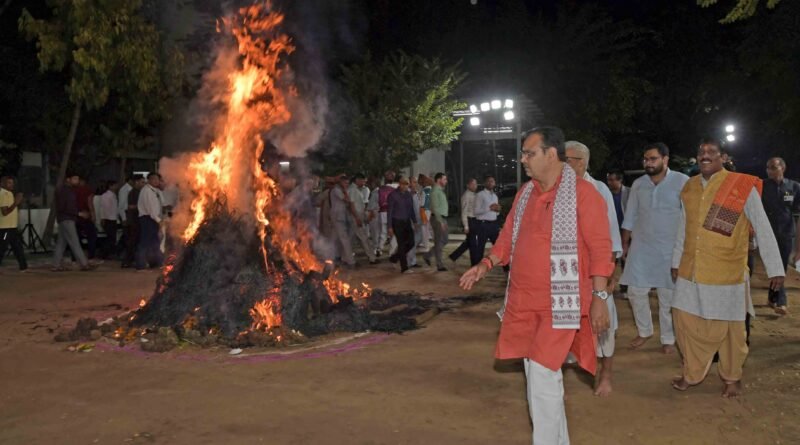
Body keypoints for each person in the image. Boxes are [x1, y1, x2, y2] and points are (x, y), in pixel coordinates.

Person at [460, 127, 612, 444]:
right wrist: (485, 264)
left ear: (551, 154)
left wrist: (599, 296)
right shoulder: (526, 193)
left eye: (529, 153)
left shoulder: (585, 195)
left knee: (542, 375)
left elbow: (600, 250)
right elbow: (508, 236)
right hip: (523, 300)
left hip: (562, 302)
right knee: (540, 377)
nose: (522, 159)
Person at [670, 138, 784, 398]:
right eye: (701, 152)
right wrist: (676, 261)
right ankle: (692, 372)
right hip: (692, 267)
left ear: (723, 157)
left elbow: (763, 227)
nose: (705, 155)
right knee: (683, 319)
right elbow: (682, 229)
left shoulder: (741, 185)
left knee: (732, 328)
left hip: (727, 271)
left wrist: (776, 268)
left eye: (711, 152)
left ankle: (732, 377)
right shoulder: (689, 187)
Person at [620, 143, 689, 353]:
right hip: (642, 246)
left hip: (670, 249)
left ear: (665, 159)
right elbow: (630, 215)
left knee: (667, 296)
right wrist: (624, 243)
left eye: (652, 159)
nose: (648, 163)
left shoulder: (682, 182)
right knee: (635, 291)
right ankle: (645, 331)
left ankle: (668, 338)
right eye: (645, 159)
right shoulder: (639, 184)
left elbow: (689, 217)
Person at [565, 140, 621, 396]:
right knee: (564, 324)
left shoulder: (599, 189)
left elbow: (610, 236)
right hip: (566, 272)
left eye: (569, 159)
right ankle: (561, 372)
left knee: (602, 325)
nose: (564, 164)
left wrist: (610, 273)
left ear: (582, 162)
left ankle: (606, 375)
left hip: (596, 272)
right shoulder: (554, 189)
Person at [761, 157, 800, 315]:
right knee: (773, 267)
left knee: (781, 268)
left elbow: (797, 212)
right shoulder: (762, 186)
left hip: (786, 233)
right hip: (767, 234)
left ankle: (780, 300)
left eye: (773, 167)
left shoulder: (794, 187)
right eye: (768, 167)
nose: (770, 170)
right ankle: (773, 298)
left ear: (782, 168)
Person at [52, 173, 93, 271]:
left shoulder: (68, 190)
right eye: (75, 178)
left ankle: (56, 265)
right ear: (68, 179)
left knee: (61, 243)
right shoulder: (65, 191)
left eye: (77, 179)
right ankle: (84, 264)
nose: (77, 181)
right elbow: (63, 207)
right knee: (74, 242)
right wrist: (78, 213)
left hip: (65, 218)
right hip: (67, 219)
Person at [386, 176, 418, 274]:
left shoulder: (408, 195)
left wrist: (415, 221)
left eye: (407, 184)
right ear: (399, 184)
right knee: (401, 244)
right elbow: (390, 212)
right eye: (403, 183)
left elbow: (411, 209)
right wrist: (390, 226)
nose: (405, 186)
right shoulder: (393, 195)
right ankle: (404, 268)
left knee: (411, 242)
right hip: (397, 222)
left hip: (407, 221)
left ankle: (395, 257)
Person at [347, 173, 377, 265]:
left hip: (357, 216)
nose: (364, 182)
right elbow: (351, 205)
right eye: (363, 180)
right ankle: (372, 258)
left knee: (351, 239)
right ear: (357, 180)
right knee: (364, 238)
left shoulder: (356, 190)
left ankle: (346, 258)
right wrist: (357, 218)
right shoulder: (352, 190)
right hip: (355, 217)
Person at [470, 175, 501, 266]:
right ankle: (476, 269)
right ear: (484, 183)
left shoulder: (495, 196)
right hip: (482, 225)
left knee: (499, 246)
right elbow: (476, 212)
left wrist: (497, 211)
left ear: (494, 183)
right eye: (488, 181)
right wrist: (489, 208)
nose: (491, 183)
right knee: (480, 249)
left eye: (492, 181)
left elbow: (495, 212)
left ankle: (507, 269)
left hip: (493, 225)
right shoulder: (480, 195)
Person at [136, 173, 164, 270]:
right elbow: (151, 209)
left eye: (158, 180)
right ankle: (141, 265)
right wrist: (159, 221)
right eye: (154, 179)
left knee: (154, 242)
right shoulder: (147, 191)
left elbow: (160, 205)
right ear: (149, 180)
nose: (157, 181)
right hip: (148, 219)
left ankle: (156, 262)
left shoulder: (155, 191)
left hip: (153, 219)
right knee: (145, 242)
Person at [0, 176, 28, 271]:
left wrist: (17, 202)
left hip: (12, 227)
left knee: (18, 247)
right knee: (2, 247)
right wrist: (16, 202)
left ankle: (23, 267)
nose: (12, 185)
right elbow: (5, 212)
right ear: (2, 184)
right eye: (9, 183)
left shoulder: (9, 193)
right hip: (5, 228)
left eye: (12, 183)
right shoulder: (3, 194)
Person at [329, 174, 357, 267]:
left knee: (334, 238)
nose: (347, 185)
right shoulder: (336, 190)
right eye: (345, 183)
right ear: (341, 182)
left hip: (339, 217)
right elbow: (347, 199)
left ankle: (334, 257)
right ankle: (350, 261)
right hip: (338, 217)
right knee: (344, 239)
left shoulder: (338, 190)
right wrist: (345, 190)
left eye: (348, 183)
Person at [423, 172, 449, 272]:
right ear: (439, 180)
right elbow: (435, 208)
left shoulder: (439, 191)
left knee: (444, 240)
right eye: (444, 179)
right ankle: (439, 264)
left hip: (442, 218)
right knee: (439, 241)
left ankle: (428, 255)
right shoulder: (435, 191)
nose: (446, 181)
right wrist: (440, 221)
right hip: (438, 219)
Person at [449, 178, 478, 263]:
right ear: (468, 185)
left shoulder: (474, 194)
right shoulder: (466, 196)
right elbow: (464, 211)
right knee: (472, 243)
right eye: (473, 184)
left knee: (469, 242)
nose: (475, 186)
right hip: (470, 221)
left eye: (476, 184)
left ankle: (454, 256)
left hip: (474, 220)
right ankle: (474, 263)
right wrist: (466, 226)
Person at [122, 175, 145, 268]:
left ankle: (132, 260)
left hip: (137, 220)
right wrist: (142, 207)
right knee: (132, 241)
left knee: (135, 241)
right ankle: (127, 261)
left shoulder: (140, 192)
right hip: (133, 221)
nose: (144, 184)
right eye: (142, 182)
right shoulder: (133, 193)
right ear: (137, 182)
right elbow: (130, 206)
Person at [74, 177, 98, 260]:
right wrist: (93, 214)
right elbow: (90, 202)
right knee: (92, 236)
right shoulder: (87, 190)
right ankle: (91, 255)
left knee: (76, 237)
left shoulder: (73, 190)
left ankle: (75, 257)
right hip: (86, 215)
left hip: (76, 216)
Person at [99, 180, 119, 259]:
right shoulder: (106, 195)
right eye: (115, 185)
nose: (116, 187)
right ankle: (104, 253)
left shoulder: (113, 195)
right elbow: (105, 208)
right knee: (110, 237)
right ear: (110, 186)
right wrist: (103, 218)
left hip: (113, 218)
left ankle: (108, 253)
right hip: (109, 218)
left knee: (112, 237)